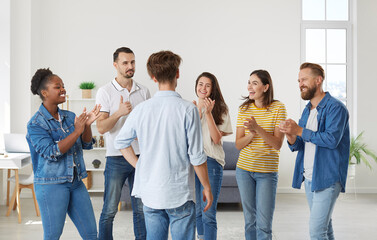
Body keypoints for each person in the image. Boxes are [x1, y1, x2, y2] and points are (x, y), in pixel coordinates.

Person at [114, 50, 213, 240]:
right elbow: (197, 155)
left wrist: (139, 165)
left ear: (153, 77)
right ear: (177, 74)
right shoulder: (188, 109)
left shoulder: (141, 109)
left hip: (151, 193)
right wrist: (206, 187)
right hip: (180, 192)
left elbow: (121, 142)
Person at [26, 68, 100, 240]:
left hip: (75, 182)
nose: (63, 90)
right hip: (51, 185)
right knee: (53, 235)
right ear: (44, 92)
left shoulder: (69, 116)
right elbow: (52, 152)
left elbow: (86, 144)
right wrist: (76, 131)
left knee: (91, 234)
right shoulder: (35, 124)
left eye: (63, 86)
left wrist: (87, 125)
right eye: (57, 87)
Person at [279, 62, 350, 240]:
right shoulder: (307, 110)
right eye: (298, 80)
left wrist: (299, 131)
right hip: (310, 178)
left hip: (327, 178)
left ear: (318, 80)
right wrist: (290, 135)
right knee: (325, 228)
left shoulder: (336, 108)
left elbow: (332, 140)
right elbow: (299, 145)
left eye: (304, 79)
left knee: (317, 232)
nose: (300, 83)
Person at [96, 47, 149, 240]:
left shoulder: (143, 91)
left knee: (142, 210)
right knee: (109, 210)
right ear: (115, 65)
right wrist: (119, 112)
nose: (130, 66)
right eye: (125, 63)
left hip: (141, 156)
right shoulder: (105, 91)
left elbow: (149, 124)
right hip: (116, 157)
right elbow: (101, 128)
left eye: (132, 62)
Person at [235, 70, 287, 240]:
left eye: (255, 83)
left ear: (265, 87)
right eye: (249, 82)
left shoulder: (278, 108)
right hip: (244, 170)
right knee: (250, 221)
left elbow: (277, 144)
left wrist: (257, 129)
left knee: (264, 226)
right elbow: (238, 144)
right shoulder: (244, 109)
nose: (250, 86)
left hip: (267, 173)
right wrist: (251, 134)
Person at [193, 72, 233, 240]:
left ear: (213, 88)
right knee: (196, 210)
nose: (203, 88)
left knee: (208, 211)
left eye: (207, 85)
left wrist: (208, 113)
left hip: (211, 162)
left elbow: (216, 139)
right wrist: (199, 113)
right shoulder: (191, 107)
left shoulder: (221, 108)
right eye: (200, 84)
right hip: (194, 161)